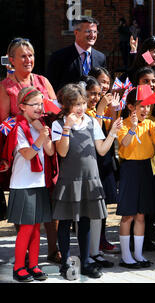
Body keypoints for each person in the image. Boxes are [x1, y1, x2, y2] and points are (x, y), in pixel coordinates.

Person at [51, 83, 122, 279]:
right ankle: (65, 262)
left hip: (90, 180)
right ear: (66, 105)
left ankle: (86, 261)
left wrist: (113, 133)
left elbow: (101, 150)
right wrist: (67, 127)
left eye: (83, 103)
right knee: (65, 222)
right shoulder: (58, 124)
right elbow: (62, 151)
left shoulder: (91, 122)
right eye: (76, 104)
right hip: (69, 181)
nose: (81, 107)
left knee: (85, 222)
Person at [0, 37, 61, 264]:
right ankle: (24, 252)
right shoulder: (6, 86)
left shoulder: (42, 81)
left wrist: (46, 114)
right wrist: (26, 123)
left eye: (31, 55)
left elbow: (56, 111)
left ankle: (53, 249)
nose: (28, 59)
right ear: (12, 60)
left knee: (50, 197)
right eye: (23, 56)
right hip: (22, 150)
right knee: (26, 202)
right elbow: (3, 121)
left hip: (46, 146)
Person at [1, 88, 57, 282]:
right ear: (22, 106)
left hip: (39, 183)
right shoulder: (18, 127)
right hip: (22, 184)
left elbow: (49, 152)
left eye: (41, 104)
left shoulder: (40, 124)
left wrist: (44, 133)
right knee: (26, 228)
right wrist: (41, 136)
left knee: (36, 228)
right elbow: (27, 154)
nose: (39, 108)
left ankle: (33, 264)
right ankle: (18, 267)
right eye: (34, 104)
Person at [116, 88, 155, 269]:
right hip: (129, 169)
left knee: (141, 215)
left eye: (148, 106)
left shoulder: (151, 124)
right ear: (131, 106)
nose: (146, 110)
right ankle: (125, 256)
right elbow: (124, 143)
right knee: (127, 215)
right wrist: (132, 128)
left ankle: (138, 254)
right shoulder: (122, 124)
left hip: (146, 168)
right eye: (141, 106)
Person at [82, 77, 118, 268]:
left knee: (98, 211)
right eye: (92, 93)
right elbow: (92, 130)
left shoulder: (95, 111)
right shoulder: (81, 112)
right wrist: (101, 109)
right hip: (84, 166)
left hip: (100, 164)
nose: (96, 97)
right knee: (85, 215)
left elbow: (103, 136)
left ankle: (95, 252)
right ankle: (86, 253)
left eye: (98, 93)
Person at [46, 17, 107, 92]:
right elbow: (50, 86)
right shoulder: (59, 56)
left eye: (95, 32)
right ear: (76, 33)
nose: (92, 35)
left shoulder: (100, 58)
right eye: (88, 31)